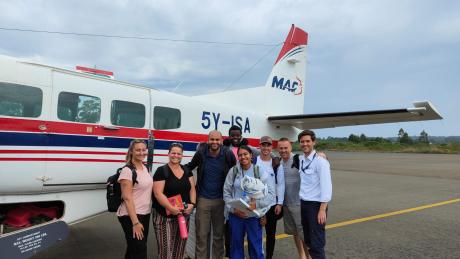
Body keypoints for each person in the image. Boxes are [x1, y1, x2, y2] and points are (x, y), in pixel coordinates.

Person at [185, 130, 236, 259]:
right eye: (212, 139)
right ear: (208, 140)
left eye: (217, 140)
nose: (214, 142)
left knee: (218, 236)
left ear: (221, 141)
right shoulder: (201, 153)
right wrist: (172, 168)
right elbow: (190, 167)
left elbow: (236, 171)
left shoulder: (228, 154)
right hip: (203, 200)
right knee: (201, 235)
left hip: (221, 200)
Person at [223, 145, 275, 259]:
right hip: (236, 216)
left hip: (254, 216)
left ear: (251, 155)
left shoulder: (259, 171)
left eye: (245, 154)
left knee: (256, 248)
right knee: (236, 247)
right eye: (240, 155)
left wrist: (257, 205)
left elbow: (271, 194)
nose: (243, 157)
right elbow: (226, 193)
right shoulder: (234, 171)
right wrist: (233, 210)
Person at [152, 143, 197, 259]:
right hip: (164, 217)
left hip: (183, 217)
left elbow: (192, 189)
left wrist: (192, 204)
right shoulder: (161, 171)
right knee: (165, 252)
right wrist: (171, 208)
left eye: (179, 153)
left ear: (182, 156)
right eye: (173, 153)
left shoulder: (187, 170)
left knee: (179, 250)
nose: (176, 155)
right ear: (168, 154)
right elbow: (158, 193)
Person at [298, 130, 332, 259]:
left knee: (317, 244)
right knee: (308, 242)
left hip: (316, 206)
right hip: (304, 204)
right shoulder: (301, 159)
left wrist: (322, 209)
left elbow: (326, 187)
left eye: (308, 141)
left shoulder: (321, 162)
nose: (305, 144)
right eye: (302, 142)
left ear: (313, 142)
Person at [117, 139, 153, 259]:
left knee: (134, 248)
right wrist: (135, 222)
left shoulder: (145, 167)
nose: (141, 152)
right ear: (131, 151)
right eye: (138, 150)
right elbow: (127, 198)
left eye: (143, 150)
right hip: (131, 215)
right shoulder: (127, 171)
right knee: (140, 250)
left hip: (145, 213)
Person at [277, 138, 311, 259]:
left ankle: (309, 257)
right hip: (286, 204)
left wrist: (322, 155)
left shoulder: (299, 159)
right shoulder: (278, 162)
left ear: (291, 147)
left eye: (285, 148)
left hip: (298, 203)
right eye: (280, 148)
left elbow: (313, 160)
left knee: (304, 234)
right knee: (295, 233)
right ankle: (301, 255)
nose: (283, 150)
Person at [254, 136, 284, 259]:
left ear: (272, 147)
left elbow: (281, 184)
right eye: (263, 145)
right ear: (259, 146)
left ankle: (269, 257)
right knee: (255, 234)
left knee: (270, 235)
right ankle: (256, 255)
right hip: (256, 204)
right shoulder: (254, 161)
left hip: (271, 205)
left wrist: (280, 203)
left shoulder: (276, 164)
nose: (266, 148)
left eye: (268, 145)